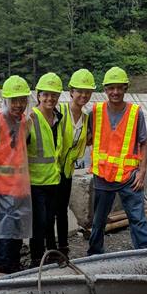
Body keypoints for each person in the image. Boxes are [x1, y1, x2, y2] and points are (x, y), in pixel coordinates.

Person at [87, 66, 147, 256]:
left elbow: (143, 143)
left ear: (125, 88)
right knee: (99, 220)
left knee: (137, 217)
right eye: (111, 88)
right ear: (105, 89)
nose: (115, 92)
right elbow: (88, 137)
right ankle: (94, 252)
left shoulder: (135, 113)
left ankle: (145, 252)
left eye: (119, 87)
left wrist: (142, 172)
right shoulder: (96, 111)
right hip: (102, 175)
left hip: (128, 176)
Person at [0, 75, 33, 273]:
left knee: (17, 226)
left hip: (18, 186)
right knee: (6, 227)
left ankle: (12, 263)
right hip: (1, 186)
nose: (19, 104)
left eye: (22, 100)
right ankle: (2, 265)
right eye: (15, 100)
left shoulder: (23, 121)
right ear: (6, 100)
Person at [53, 68, 95, 257]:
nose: (83, 95)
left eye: (87, 92)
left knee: (61, 211)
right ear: (71, 92)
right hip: (50, 171)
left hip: (67, 171)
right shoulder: (59, 111)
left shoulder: (86, 118)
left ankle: (62, 248)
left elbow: (85, 141)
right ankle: (47, 250)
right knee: (48, 213)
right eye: (80, 91)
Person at [28, 72, 63, 265]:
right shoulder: (31, 118)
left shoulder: (59, 117)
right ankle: (36, 258)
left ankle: (51, 253)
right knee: (38, 223)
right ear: (39, 95)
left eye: (54, 95)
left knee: (50, 221)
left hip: (53, 179)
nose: (50, 98)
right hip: (35, 181)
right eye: (46, 94)